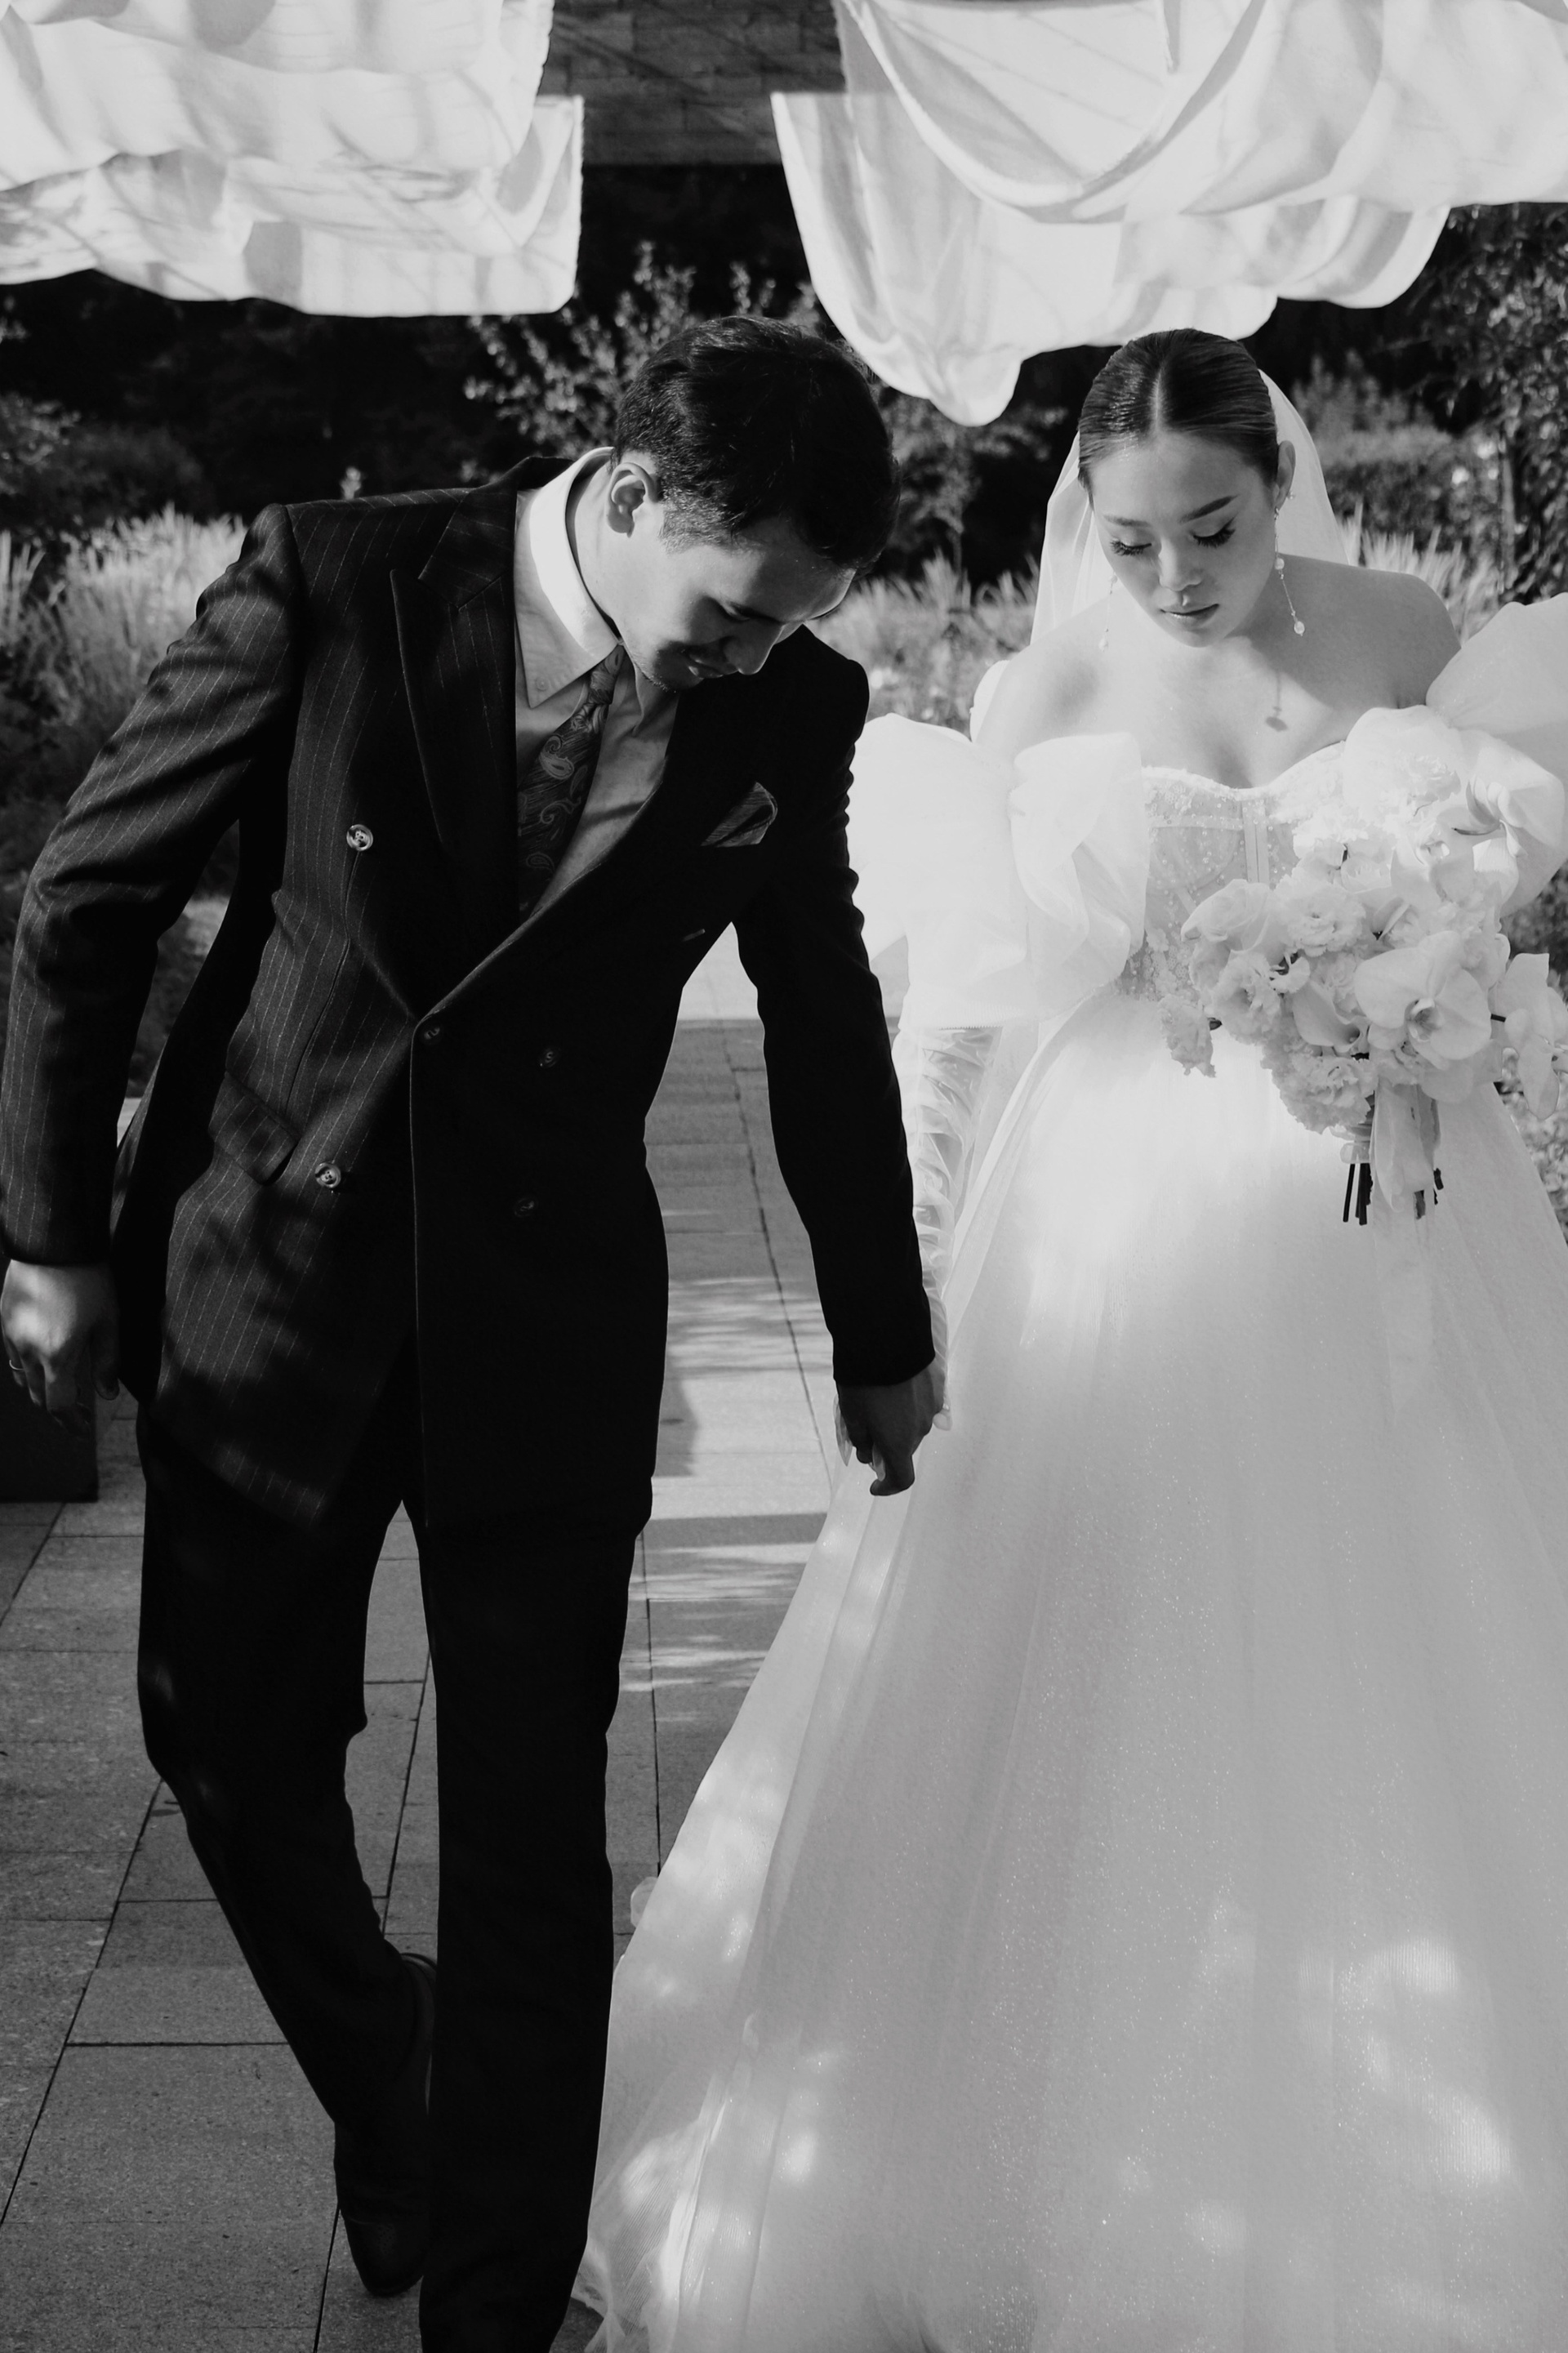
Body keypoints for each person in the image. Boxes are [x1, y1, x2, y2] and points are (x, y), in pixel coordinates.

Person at [579, 329, 1568, 2351]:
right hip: (1133, 1204)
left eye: (1213, 527)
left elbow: (1505, 883)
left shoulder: (1402, 632)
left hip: (1395, 1184)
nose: (1176, 573)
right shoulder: (1044, 688)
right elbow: (972, 1007)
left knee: (1440, 1591)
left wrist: (1435, 977)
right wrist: (923, 1272)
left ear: (1279, 487)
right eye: (1132, 539)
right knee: (1122, 1619)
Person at [0, 316, 939, 2352]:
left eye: (790, 625)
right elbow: (85, 898)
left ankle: (498, 2308)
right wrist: (53, 1236)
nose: (747, 658)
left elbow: (822, 1006)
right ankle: (394, 2066)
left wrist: (881, 1328)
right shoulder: (335, 579)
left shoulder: (794, 705)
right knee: (226, 1746)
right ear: (631, 491)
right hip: (271, 1267)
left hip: (548, 1309)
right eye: (730, 609)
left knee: (531, 1829)